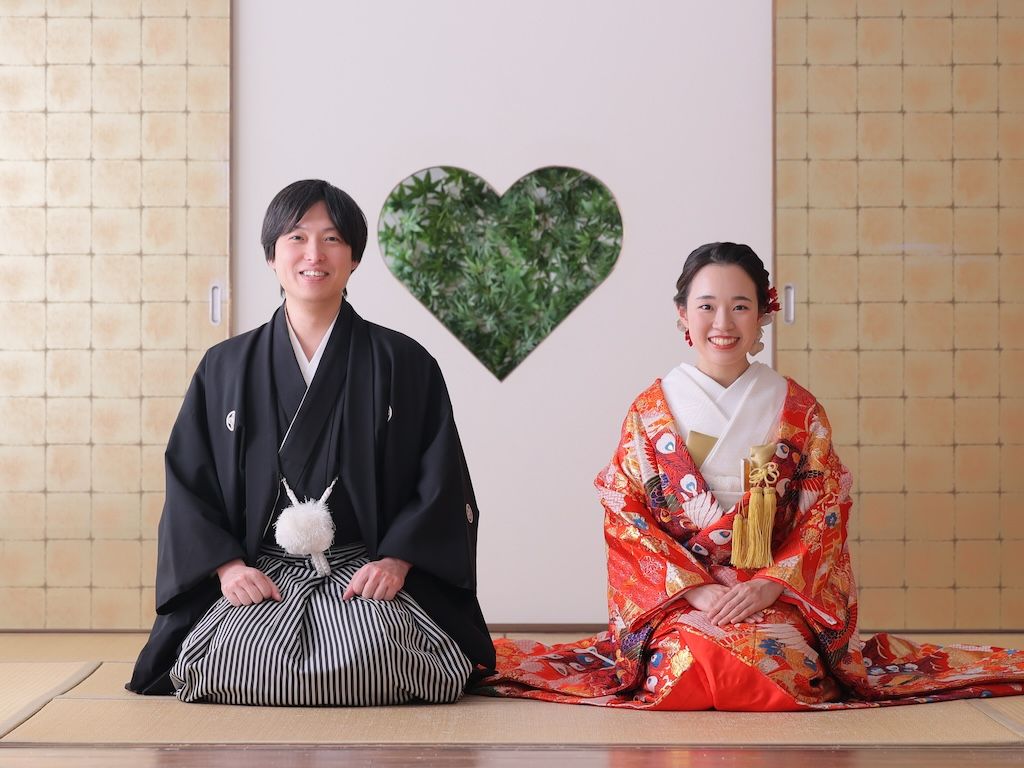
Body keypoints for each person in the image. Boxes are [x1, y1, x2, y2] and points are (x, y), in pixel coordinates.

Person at [477, 242, 1024, 710]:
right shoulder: (651, 409)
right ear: (681, 315)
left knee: (780, 661)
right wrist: (693, 592)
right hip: (683, 597)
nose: (722, 323)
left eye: (740, 306)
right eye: (707, 306)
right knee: (688, 664)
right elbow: (625, 511)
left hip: (775, 588)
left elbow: (825, 510)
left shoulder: (795, 407)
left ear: (762, 313)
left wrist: (767, 585)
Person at [128, 179, 494, 705]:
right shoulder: (225, 367)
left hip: (363, 567)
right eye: (296, 238)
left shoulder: (404, 362)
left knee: (373, 657)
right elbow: (191, 481)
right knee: (238, 660)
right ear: (272, 256)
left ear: (354, 258)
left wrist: (396, 562)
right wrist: (229, 568)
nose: (313, 255)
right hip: (262, 568)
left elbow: (440, 479)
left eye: (332, 239)